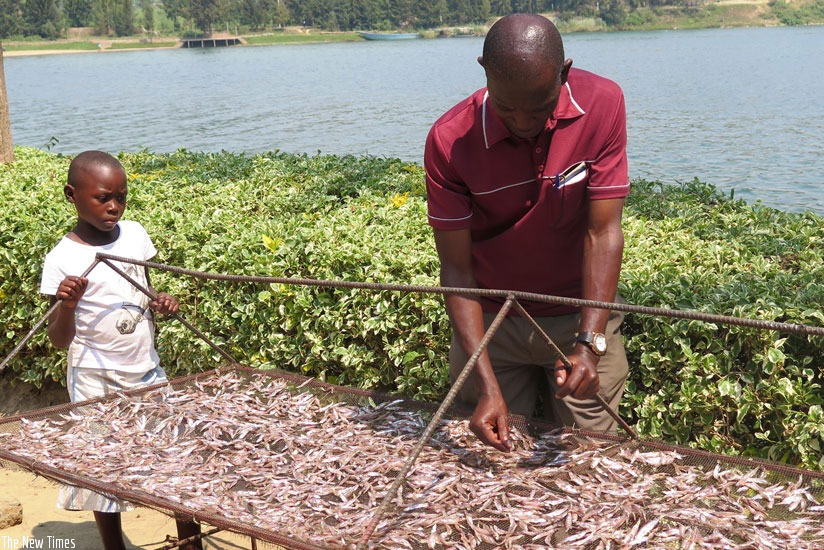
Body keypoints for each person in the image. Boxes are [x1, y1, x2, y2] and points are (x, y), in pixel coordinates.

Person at [425, 14, 630, 452]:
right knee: (489, 457)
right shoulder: (449, 141)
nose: (522, 121)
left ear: (565, 72)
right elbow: (457, 270)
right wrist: (484, 383)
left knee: (593, 455)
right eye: (506, 107)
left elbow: (603, 231)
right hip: (493, 324)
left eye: (539, 107)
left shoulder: (604, 103)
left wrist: (590, 344)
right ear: (484, 71)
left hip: (578, 312)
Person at [39, 151, 202, 550]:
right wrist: (69, 305)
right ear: (71, 195)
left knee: (177, 459)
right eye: (102, 198)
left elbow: (141, 293)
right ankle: (114, 546)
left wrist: (161, 301)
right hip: (94, 379)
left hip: (146, 370)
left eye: (121, 197)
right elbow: (59, 340)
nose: (114, 206)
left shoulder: (134, 234)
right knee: (102, 469)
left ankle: (191, 543)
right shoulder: (62, 260)